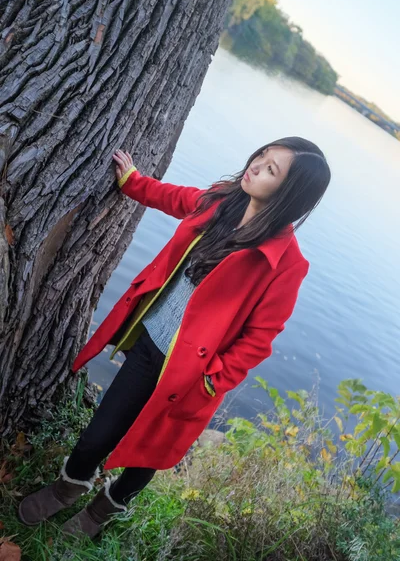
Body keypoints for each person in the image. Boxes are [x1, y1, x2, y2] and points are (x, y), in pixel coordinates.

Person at [18, 137, 331, 538]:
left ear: (291, 193)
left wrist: (211, 381)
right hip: (151, 346)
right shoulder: (222, 201)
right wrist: (132, 181)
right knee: (99, 432)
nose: (256, 166)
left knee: (146, 456)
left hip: (189, 379)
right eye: (262, 156)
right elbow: (172, 197)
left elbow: (260, 337)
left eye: (272, 169)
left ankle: (101, 512)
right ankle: (68, 487)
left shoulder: (287, 264)